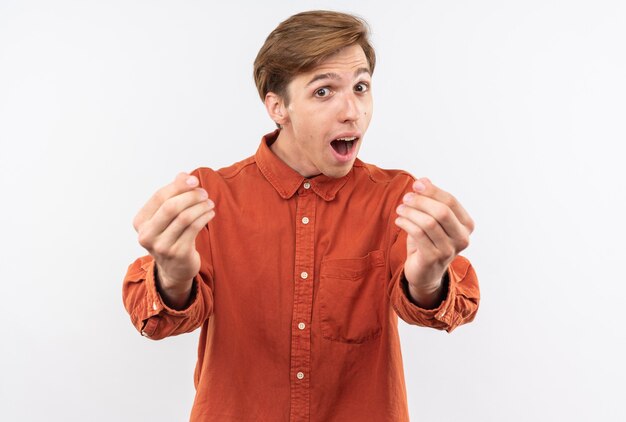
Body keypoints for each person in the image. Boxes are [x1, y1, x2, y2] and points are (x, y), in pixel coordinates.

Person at [123, 10, 479, 422]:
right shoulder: (210, 196)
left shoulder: (396, 199)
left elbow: (451, 308)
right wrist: (172, 275)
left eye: (361, 87)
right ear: (278, 106)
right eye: (324, 92)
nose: (353, 112)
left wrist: (428, 279)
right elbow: (154, 321)